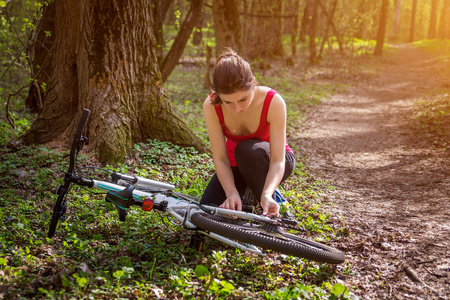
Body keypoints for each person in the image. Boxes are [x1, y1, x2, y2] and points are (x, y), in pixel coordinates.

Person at [200, 49, 295, 217]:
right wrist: (231, 193)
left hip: (273, 161)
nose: (237, 108)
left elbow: (278, 160)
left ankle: (271, 203)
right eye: (228, 102)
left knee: (245, 150)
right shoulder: (211, 105)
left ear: (252, 82)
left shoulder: (273, 101)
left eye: (243, 99)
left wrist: (266, 193)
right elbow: (221, 159)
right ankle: (246, 198)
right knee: (207, 211)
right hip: (236, 165)